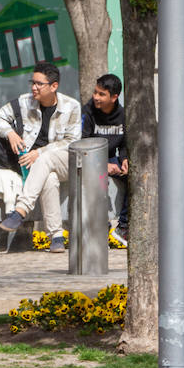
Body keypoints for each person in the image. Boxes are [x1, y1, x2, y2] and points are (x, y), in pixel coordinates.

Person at [0, 61, 83, 253]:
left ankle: (20, 210)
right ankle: (56, 236)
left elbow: (72, 141)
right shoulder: (24, 101)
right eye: (32, 82)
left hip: (66, 160)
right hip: (39, 167)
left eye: (39, 84)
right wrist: (10, 133)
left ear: (54, 86)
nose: (34, 87)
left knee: (45, 159)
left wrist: (39, 152)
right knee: (48, 178)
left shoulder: (71, 106)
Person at [81, 73, 129, 246]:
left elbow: (124, 144)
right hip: (91, 160)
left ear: (114, 97)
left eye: (101, 94)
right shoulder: (87, 113)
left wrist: (124, 160)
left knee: (138, 175)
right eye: (95, 92)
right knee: (98, 178)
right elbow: (83, 145)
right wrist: (103, 165)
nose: (96, 97)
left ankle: (123, 227)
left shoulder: (123, 114)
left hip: (112, 159)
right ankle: (102, 226)